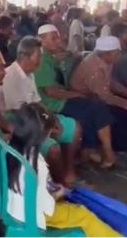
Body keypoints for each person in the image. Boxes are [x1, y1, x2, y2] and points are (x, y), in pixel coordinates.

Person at [5, 104, 120, 237]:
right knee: (84, 216)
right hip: (31, 218)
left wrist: (50, 187)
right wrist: (58, 193)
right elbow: (47, 208)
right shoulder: (37, 165)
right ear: (43, 135)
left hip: (12, 209)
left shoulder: (11, 148)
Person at [70, 36, 127, 167]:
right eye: (117, 52)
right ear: (107, 53)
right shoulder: (94, 69)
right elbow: (106, 97)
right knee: (118, 113)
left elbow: (111, 83)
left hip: (97, 95)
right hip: (84, 99)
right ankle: (109, 150)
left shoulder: (105, 60)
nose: (120, 55)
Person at [0, 37, 81, 185]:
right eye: (38, 56)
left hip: (38, 119)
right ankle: (58, 183)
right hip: (21, 126)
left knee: (74, 128)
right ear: (24, 57)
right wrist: (47, 124)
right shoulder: (10, 76)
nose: (40, 61)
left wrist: (52, 119)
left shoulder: (30, 74)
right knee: (53, 150)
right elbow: (20, 113)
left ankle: (69, 173)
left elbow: (38, 102)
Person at [35, 24, 115, 168]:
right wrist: (76, 94)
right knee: (94, 107)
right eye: (54, 38)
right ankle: (105, 153)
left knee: (93, 106)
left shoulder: (51, 57)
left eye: (58, 37)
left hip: (61, 98)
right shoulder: (42, 61)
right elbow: (51, 92)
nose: (59, 41)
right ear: (42, 40)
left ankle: (89, 150)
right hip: (53, 104)